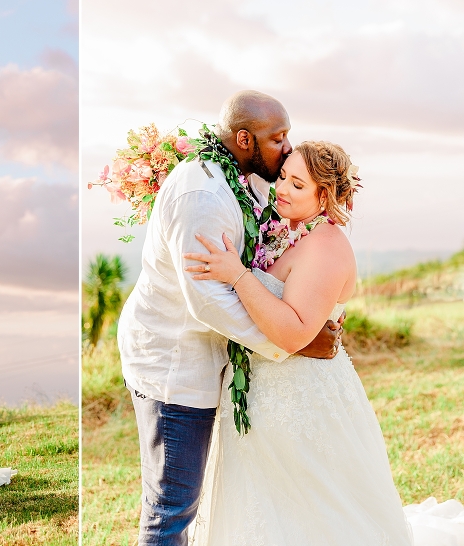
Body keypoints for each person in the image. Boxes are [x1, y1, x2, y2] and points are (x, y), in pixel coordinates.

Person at [184, 142, 462, 546]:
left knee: (315, 511)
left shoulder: (326, 246)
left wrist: (238, 276)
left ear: (324, 197)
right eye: (283, 177)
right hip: (260, 399)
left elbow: (295, 332)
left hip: (303, 401)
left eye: (298, 185)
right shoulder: (289, 231)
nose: (282, 189)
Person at [116, 90, 343, 546]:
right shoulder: (202, 195)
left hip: (199, 355)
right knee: (172, 507)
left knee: (181, 501)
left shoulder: (243, 176)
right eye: (278, 138)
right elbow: (208, 301)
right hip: (173, 361)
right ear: (244, 138)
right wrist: (292, 341)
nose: (287, 147)